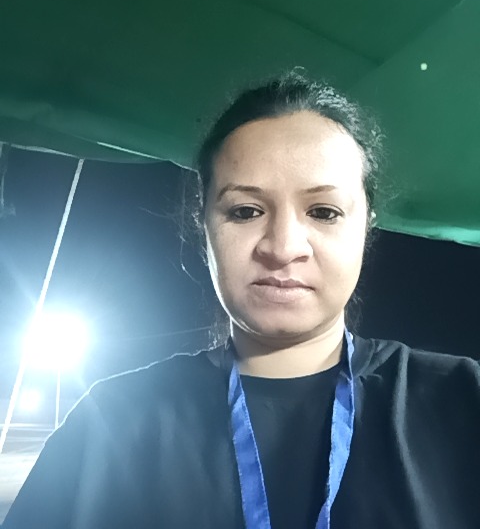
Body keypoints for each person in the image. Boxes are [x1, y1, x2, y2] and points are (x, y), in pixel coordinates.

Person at [3, 71, 479, 529]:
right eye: (246, 211)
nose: (283, 247)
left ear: (365, 227)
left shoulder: (461, 401)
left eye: (323, 212)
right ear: (203, 225)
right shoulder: (110, 423)